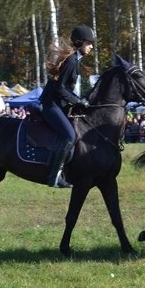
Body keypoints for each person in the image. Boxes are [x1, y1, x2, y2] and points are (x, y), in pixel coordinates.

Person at [39, 25, 95, 188]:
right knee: (70, 136)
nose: (91, 46)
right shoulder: (71, 61)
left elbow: (66, 90)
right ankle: (54, 176)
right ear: (80, 42)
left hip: (58, 104)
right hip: (51, 105)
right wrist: (77, 101)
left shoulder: (75, 60)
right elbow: (60, 88)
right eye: (89, 43)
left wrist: (79, 100)